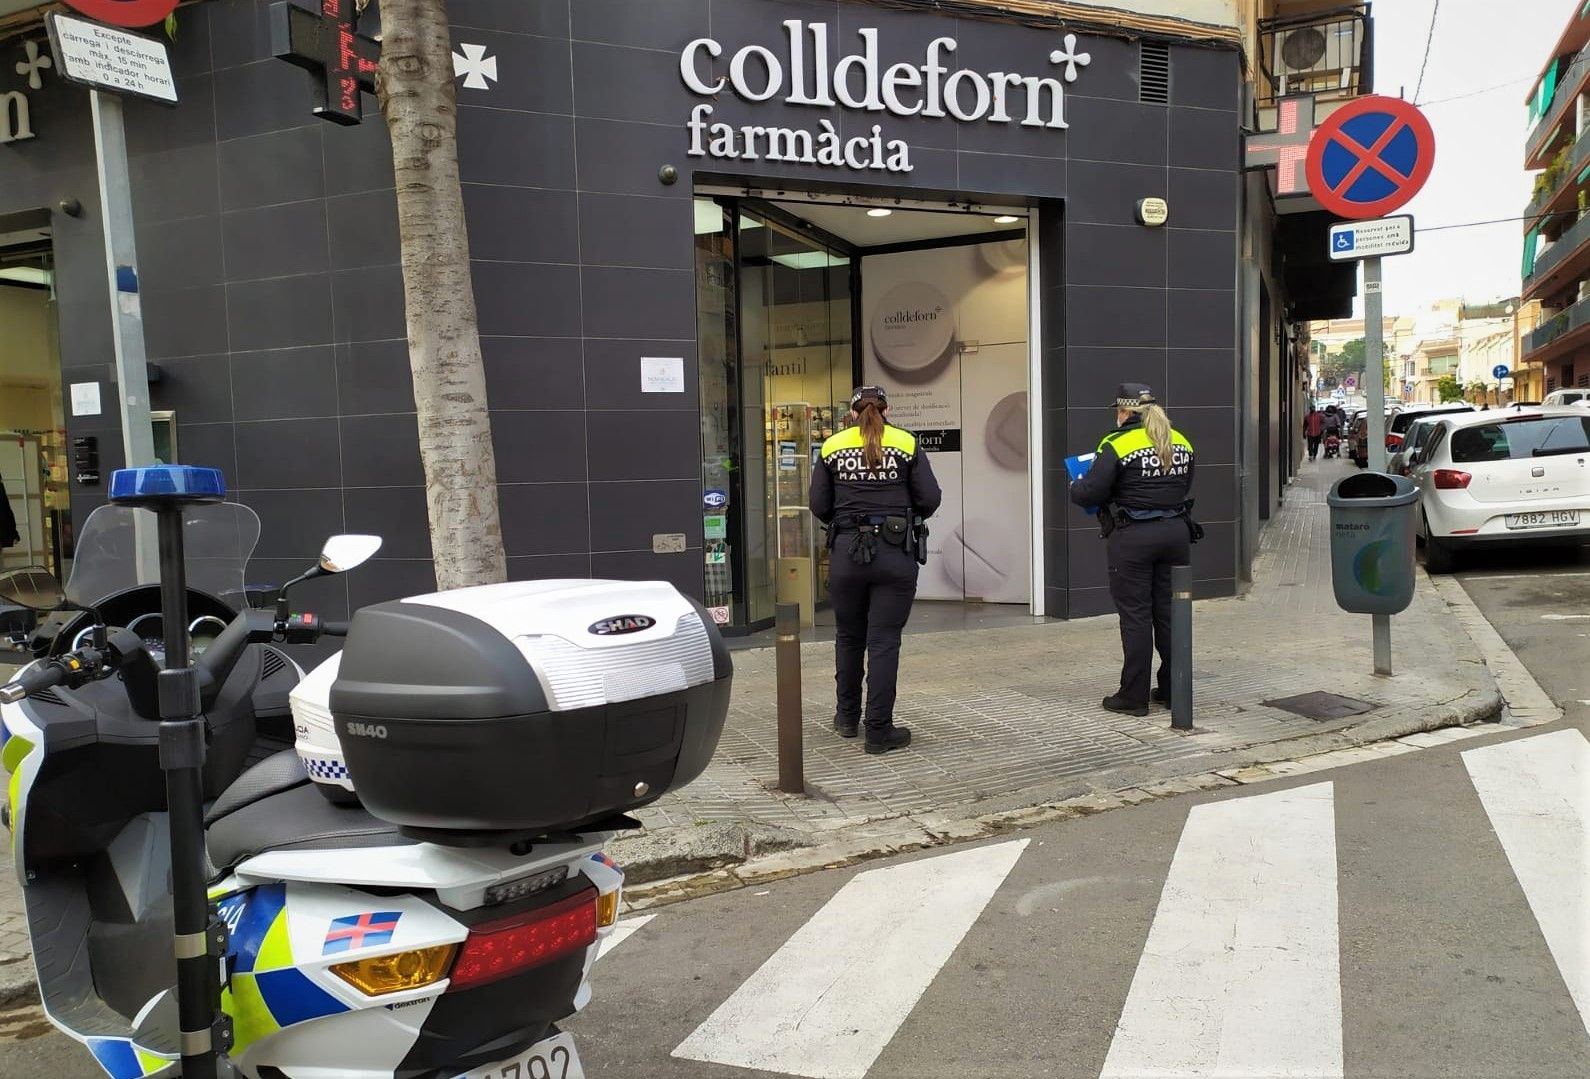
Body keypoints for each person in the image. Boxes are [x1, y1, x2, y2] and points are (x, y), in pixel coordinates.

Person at [809, 386, 941, 754]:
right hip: (894, 552)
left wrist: (846, 519)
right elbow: (930, 498)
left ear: (852, 412)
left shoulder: (833, 446)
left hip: (846, 553)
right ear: (886, 410)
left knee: (849, 637)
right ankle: (879, 731)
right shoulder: (906, 442)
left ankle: (847, 718)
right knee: (884, 641)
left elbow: (818, 503)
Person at [1069, 383, 1199, 717]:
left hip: (1134, 538)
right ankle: (1174, 690)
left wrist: (1076, 485)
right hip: (1176, 534)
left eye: (1118, 409)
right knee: (1171, 615)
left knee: (1136, 616)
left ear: (1125, 412)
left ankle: (1133, 696)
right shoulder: (1180, 439)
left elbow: (1091, 493)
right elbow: (1184, 486)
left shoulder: (1117, 442)